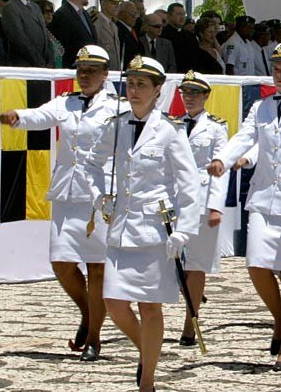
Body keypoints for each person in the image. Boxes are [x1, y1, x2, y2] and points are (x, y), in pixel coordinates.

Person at [0, 46, 127, 361]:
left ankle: (94, 338)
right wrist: (18, 117)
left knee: (97, 268)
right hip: (67, 193)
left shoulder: (118, 108)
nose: (84, 76)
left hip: (99, 196)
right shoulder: (65, 102)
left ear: (105, 75)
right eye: (80, 70)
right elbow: (40, 115)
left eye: (91, 71)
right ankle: (88, 311)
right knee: (61, 263)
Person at [207, 41, 281, 371]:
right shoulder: (261, 107)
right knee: (257, 265)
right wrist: (223, 158)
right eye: (276, 68)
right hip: (264, 197)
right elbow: (246, 137)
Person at [85, 55, 200, 392]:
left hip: (153, 230)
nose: (134, 91)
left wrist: (184, 230)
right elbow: (92, 163)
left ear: (158, 91)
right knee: (114, 304)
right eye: (130, 84)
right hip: (121, 229)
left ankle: (146, 382)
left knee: (150, 307)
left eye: (142, 85)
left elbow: (189, 183)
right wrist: (98, 196)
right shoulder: (116, 124)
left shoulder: (170, 131)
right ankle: (146, 351)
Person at [176, 71, 230, 347]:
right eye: (185, 93)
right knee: (169, 263)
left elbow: (222, 169)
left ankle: (190, 322)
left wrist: (215, 206)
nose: (189, 98)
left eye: (195, 93)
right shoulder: (171, 124)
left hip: (201, 199)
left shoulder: (217, 128)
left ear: (206, 96)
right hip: (173, 200)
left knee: (196, 265)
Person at [0, 0, 54, 67]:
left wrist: (50, 60)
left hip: (44, 67)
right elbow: (20, 40)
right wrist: (40, 63)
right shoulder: (11, 8)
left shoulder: (35, 7)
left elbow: (45, 35)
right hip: (25, 66)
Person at [49, 0, 97, 68]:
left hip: (88, 67)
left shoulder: (85, 14)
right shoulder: (62, 15)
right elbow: (62, 48)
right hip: (72, 70)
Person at [163, 3, 198, 72]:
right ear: (169, 15)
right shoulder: (163, 35)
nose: (182, 17)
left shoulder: (190, 36)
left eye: (183, 14)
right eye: (179, 14)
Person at [94, 0, 123, 71]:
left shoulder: (114, 26)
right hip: (101, 73)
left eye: (118, 3)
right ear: (103, 4)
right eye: (114, 3)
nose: (117, 6)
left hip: (114, 73)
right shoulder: (96, 23)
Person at [116, 1, 145, 68]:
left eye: (136, 13)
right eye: (132, 14)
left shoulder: (132, 30)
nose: (135, 17)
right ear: (122, 14)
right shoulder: (118, 29)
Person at [38, 0, 65, 68]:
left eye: (51, 11)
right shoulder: (37, 32)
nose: (49, 14)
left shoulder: (47, 32)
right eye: (46, 11)